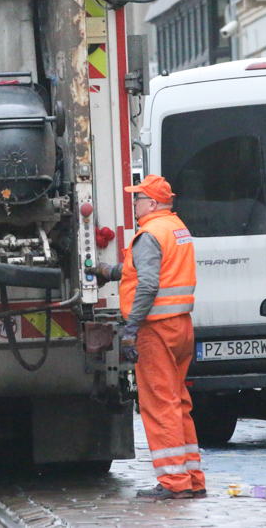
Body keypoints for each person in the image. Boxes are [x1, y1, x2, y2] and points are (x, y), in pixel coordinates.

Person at [93, 174, 205, 500]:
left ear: (153, 203)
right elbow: (147, 270)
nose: (134, 203)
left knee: (159, 405)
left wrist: (131, 328)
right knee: (179, 402)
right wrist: (110, 272)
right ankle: (192, 478)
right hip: (180, 325)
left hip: (154, 329)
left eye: (138, 199)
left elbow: (148, 283)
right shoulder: (175, 228)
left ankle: (174, 483)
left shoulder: (148, 234)